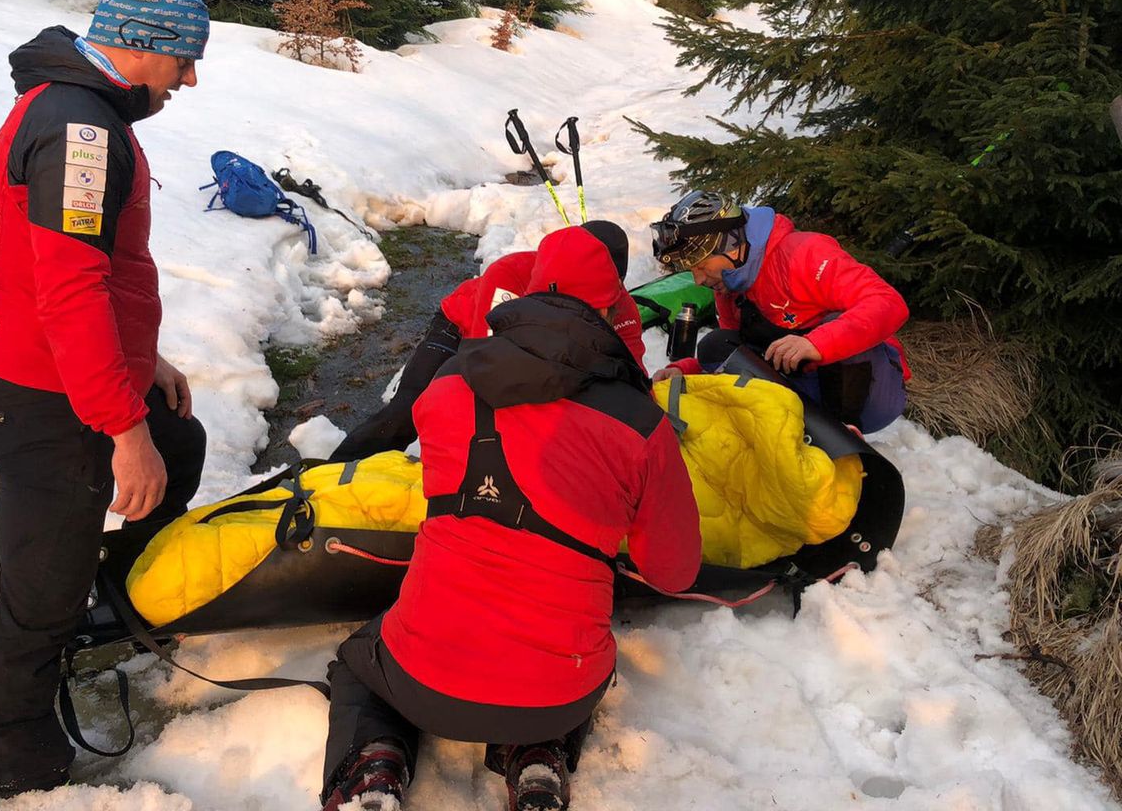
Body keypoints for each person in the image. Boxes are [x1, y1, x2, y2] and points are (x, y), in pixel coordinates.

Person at [319, 225, 701, 811]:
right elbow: (672, 572)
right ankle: (537, 753)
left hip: (423, 678)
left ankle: (374, 765)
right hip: (561, 692)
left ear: (526, 293)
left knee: (357, 663)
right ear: (612, 305)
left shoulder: (444, 392)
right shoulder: (641, 427)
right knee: (553, 662)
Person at [0, 0, 210, 799]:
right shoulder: (81, 133)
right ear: (142, 48)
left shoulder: (78, 108)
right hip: (39, 398)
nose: (190, 78)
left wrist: (146, 366)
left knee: (179, 440)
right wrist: (121, 430)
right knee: (38, 594)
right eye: (184, 59)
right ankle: (17, 767)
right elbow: (68, 292)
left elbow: (85, 274)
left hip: (60, 375)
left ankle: (113, 596)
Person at [328, 219, 646, 462]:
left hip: (542, 350)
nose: (606, 305)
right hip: (463, 329)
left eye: (611, 289)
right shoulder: (512, 274)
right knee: (408, 411)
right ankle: (331, 474)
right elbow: (488, 365)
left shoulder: (621, 306)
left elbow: (631, 376)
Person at [650, 190, 910, 433]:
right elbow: (736, 356)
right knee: (716, 345)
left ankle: (845, 434)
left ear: (733, 244)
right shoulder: (730, 285)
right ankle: (800, 430)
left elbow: (888, 302)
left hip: (870, 392)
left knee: (836, 325)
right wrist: (685, 371)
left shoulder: (803, 253)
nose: (698, 280)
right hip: (802, 384)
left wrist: (815, 343)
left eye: (702, 266)